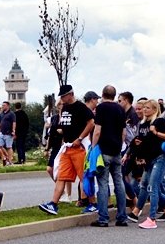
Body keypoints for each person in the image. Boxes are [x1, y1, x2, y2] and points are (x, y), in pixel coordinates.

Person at [38, 85, 93, 216]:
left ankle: (93, 203)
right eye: (61, 96)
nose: (62, 98)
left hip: (79, 148)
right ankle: (53, 204)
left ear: (71, 94)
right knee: (62, 176)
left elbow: (91, 123)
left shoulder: (81, 107)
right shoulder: (66, 108)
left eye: (64, 96)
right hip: (67, 147)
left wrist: (80, 138)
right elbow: (66, 125)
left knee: (84, 176)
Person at [132, 99, 165, 229]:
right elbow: (144, 143)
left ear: (155, 109)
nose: (145, 110)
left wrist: (156, 132)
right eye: (144, 108)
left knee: (153, 187)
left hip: (160, 158)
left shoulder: (159, 121)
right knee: (147, 186)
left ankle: (152, 218)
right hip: (149, 160)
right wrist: (138, 153)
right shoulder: (142, 124)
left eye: (148, 108)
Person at [92, 85, 128, 227]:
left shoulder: (101, 108)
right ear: (114, 95)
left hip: (104, 150)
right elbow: (123, 132)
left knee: (102, 183)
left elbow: (97, 130)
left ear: (102, 94)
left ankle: (103, 218)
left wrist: (93, 147)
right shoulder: (120, 109)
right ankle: (122, 217)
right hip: (116, 150)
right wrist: (120, 145)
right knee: (119, 183)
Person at [0, 102, 16, 167]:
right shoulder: (1, 114)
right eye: (2, 105)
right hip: (1, 132)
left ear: (8, 106)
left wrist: (13, 130)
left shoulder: (11, 114)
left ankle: (10, 161)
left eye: (4, 105)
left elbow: (14, 122)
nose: (2, 106)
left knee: (9, 147)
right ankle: (5, 157)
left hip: (8, 132)